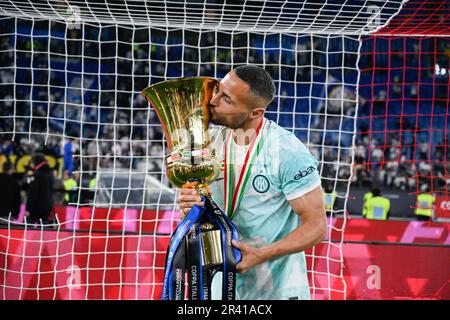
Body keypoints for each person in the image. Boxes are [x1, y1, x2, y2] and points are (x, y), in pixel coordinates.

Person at [177, 65, 327, 300]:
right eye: (218, 90)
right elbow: (206, 210)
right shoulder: (208, 144)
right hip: (221, 284)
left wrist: (263, 253)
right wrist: (191, 205)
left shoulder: (287, 151)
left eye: (226, 98)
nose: (212, 101)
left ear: (256, 113)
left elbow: (317, 227)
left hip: (276, 289)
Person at [25, 153, 54, 224]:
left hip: (36, 209)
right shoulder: (50, 173)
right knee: (43, 231)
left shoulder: (36, 174)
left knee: (28, 230)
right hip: (47, 208)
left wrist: (28, 209)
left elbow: (33, 193)